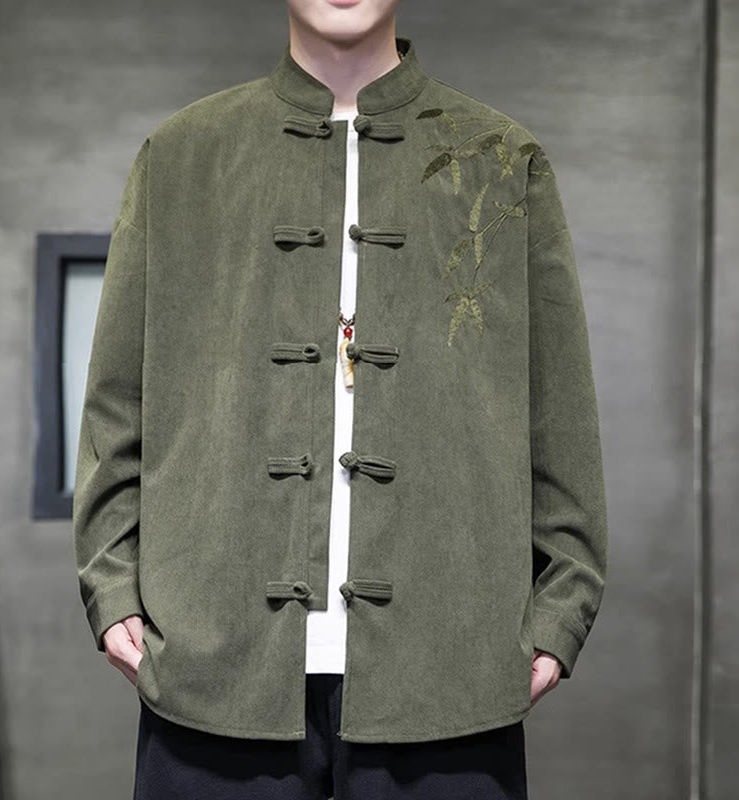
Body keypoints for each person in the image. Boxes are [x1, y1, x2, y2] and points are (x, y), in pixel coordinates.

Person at [72, 1, 609, 798]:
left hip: (450, 669)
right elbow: (118, 400)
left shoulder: (500, 160)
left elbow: (557, 407)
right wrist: (111, 585)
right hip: (212, 668)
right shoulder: (181, 155)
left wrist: (562, 612)